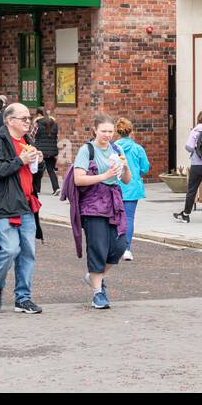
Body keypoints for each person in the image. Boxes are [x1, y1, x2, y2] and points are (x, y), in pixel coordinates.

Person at [0, 103, 43, 313]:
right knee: (10, 249)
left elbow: (33, 176)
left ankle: (23, 298)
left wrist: (39, 162)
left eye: (29, 117)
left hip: (26, 204)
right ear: (10, 120)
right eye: (23, 118)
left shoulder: (28, 141)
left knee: (27, 253)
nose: (28, 122)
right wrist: (20, 160)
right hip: (4, 204)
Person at [70, 114, 131, 309]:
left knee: (120, 245)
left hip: (114, 202)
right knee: (97, 247)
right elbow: (78, 179)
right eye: (103, 131)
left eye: (110, 131)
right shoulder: (86, 150)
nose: (107, 135)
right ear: (95, 130)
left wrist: (126, 167)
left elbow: (127, 179)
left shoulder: (117, 149)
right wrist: (104, 175)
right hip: (93, 203)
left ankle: (95, 276)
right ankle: (98, 292)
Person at [114, 117, 151, 261]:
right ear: (131, 132)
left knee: (114, 219)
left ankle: (114, 246)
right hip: (133, 187)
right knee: (128, 218)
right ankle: (126, 249)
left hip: (115, 187)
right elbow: (145, 168)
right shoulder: (137, 148)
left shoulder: (113, 147)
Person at [175, 111, 202, 223]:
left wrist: (196, 148)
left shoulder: (195, 131)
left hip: (197, 165)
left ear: (198, 119)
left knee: (192, 190)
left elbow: (189, 147)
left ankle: (186, 214)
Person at [31, 108, 60, 196]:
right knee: (51, 170)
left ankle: (37, 189)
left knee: (39, 170)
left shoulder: (38, 124)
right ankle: (56, 188)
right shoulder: (54, 124)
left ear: (39, 114)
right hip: (52, 150)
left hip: (41, 150)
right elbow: (56, 137)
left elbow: (32, 135)